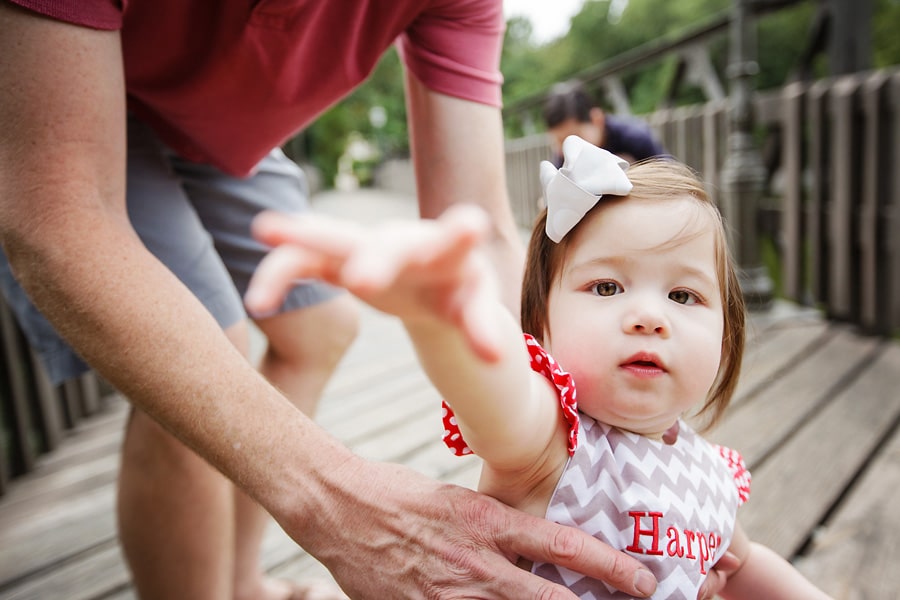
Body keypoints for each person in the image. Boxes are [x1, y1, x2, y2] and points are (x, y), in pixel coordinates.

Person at [0, 1, 707, 598]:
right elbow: (60, 212)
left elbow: (476, 227)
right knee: (209, 344)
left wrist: (551, 421)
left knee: (320, 324)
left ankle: (241, 579)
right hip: (65, 87)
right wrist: (333, 501)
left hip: (217, 127)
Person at [245, 136, 832, 599]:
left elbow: (747, 566)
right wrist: (444, 316)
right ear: (541, 328)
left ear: (727, 336)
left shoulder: (710, 475)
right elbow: (492, 386)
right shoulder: (552, 444)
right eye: (607, 286)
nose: (650, 316)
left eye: (684, 297)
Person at [543, 80, 667, 167]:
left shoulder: (634, 137)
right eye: (557, 142)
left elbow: (671, 175)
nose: (564, 149)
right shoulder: (566, 154)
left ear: (597, 119)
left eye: (573, 138)